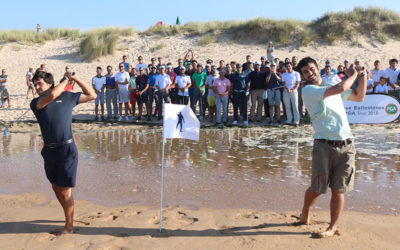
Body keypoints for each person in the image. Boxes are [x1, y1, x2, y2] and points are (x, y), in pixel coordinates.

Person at [295, 56, 367, 238]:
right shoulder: (309, 91)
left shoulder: (331, 84)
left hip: (347, 145)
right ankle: (305, 212)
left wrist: (364, 76)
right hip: (323, 145)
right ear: (302, 77)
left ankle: (332, 227)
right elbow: (342, 87)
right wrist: (355, 74)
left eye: (311, 69)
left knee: (338, 189)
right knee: (317, 188)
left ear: (318, 68)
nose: (309, 73)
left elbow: (359, 97)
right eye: (305, 72)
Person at [30, 70, 96, 235]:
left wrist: (75, 78)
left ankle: (69, 227)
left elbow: (92, 95)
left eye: (40, 83)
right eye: (35, 84)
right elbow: (52, 95)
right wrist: (66, 80)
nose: (37, 87)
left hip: (67, 149)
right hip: (49, 150)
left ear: (50, 83)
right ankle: (68, 215)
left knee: (65, 190)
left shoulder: (68, 97)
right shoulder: (37, 102)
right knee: (55, 186)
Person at [281, 62, 301, 126]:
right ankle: (289, 120)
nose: (288, 67)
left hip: (294, 91)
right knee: (287, 106)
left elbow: (298, 83)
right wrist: (288, 89)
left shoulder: (296, 73)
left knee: (295, 106)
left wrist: (292, 89)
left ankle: (296, 121)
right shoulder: (284, 74)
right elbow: (283, 83)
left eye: (289, 66)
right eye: (287, 66)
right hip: (286, 91)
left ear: (291, 66)